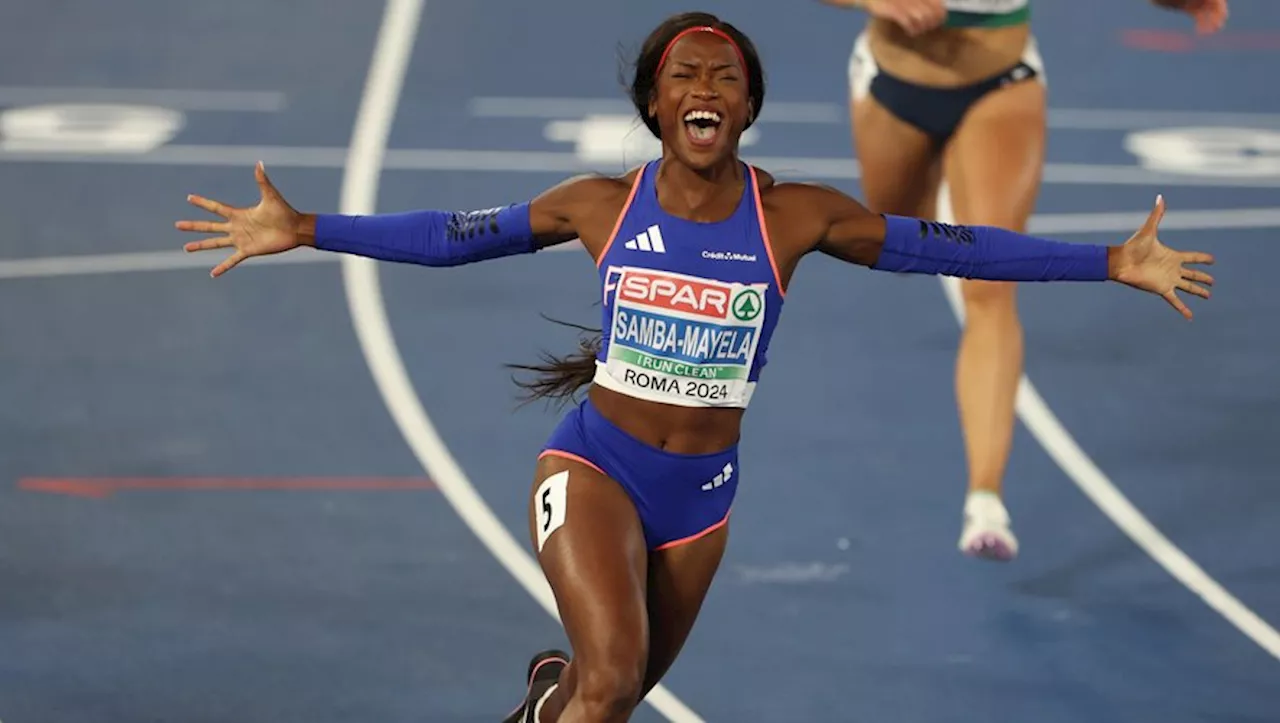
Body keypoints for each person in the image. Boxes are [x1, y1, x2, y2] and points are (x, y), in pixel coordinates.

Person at [175, 12, 1214, 722]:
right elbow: (454, 233)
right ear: (656, 107)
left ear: (746, 106)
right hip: (592, 469)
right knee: (616, 678)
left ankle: (544, 699)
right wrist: (307, 226)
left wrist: (1107, 260)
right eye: (685, 75)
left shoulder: (795, 216)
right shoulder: (599, 204)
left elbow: (957, 247)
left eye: (724, 76)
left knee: (605, 696)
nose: (705, 86)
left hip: (700, 499)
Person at [821, 0, 1228, 561]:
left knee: (989, 287)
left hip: (1002, 84)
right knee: (893, 232)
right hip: (893, 81)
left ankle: (985, 497)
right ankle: (946, 174)